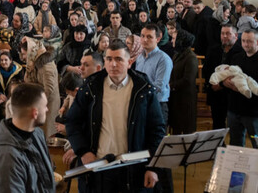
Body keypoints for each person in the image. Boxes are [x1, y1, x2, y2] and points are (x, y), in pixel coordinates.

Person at [66, 40, 166, 192]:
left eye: (119, 59)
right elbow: (73, 122)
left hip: (133, 167)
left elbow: (157, 129)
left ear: (130, 62)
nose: (113, 64)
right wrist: (83, 151)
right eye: (109, 59)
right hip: (98, 165)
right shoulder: (90, 87)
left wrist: (153, 167)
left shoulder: (144, 89)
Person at [0, 83, 54, 193]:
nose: (47, 109)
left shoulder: (37, 133)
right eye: (45, 106)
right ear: (35, 113)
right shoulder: (6, 158)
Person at [219, 30, 258, 146]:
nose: (245, 44)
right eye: (243, 41)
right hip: (234, 110)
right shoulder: (236, 58)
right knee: (235, 146)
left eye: (249, 41)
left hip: (254, 112)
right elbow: (226, 75)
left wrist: (246, 92)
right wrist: (225, 82)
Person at [203, 24, 243, 129]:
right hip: (215, 92)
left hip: (232, 94)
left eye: (228, 33)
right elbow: (206, 70)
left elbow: (239, 74)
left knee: (235, 127)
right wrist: (213, 83)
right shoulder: (213, 49)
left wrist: (222, 84)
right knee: (217, 124)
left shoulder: (241, 52)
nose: (224, 36)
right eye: (222, 33)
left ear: (235, 36)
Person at [22, 37, 60, 138]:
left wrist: (38, 103)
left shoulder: (47, 66)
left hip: (48, 104)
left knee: (46, 135)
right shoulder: (34, 62)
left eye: (24, 53)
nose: (23, 57)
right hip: (39, 101)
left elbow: (49, 90)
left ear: (31, 52)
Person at [167, 27, 198, 135]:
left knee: (186, 131)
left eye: (174, 38)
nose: (172, 41)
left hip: (186, 100)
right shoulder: (177, 54)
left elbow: (188, 80)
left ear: (181, 40)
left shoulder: (191, 57)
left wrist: (170, 85)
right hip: (176, 98)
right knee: (175, 128)